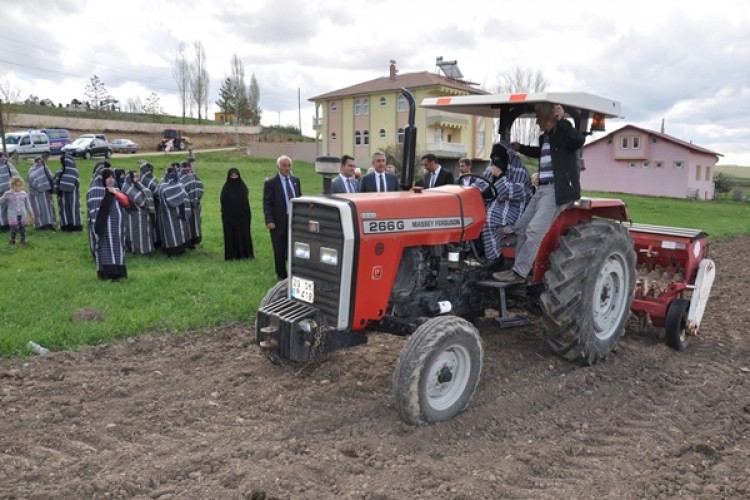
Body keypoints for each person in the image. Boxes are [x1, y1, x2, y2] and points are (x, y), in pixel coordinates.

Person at [494, 103, 586, 283]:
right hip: (542, 188)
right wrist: (520, 148)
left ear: (548, 117)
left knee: (534, 231)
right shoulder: (545, 138)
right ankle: (520, 269)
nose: (536, 122)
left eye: (538, 117)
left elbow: (578, 140)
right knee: (520, 229)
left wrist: (562, 119)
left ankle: (519, 273)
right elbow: (539, 153)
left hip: (555, 190)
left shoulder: (564, 133)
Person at [479, 144, 531, 264]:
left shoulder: (519, 172)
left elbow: (517, 192)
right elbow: (480, 183)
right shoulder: (491, 168)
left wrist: (501, 176)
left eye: (499, 157)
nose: (496, 160)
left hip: (514, 208)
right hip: (493, 204)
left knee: (489, 219)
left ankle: (495, 259)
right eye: (494, 157)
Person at [87, 168, 130, 281]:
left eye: (112, 177)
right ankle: (106, 274)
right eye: (108, 177)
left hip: (116, 226)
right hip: (103, 226)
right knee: (105, 249)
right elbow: (94, 209)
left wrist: (114, 192)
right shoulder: (95, 191)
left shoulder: (116, 190)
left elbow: (126, 202)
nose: (110, 179)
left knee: (117, 248)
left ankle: (117, 273)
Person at [263, 155, 301, 280]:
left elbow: (299, 199)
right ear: (278, 167)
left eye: (289, 165)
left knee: (293, 248)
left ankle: (293, 274)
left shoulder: (295, 181)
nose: (287, 168)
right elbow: (267, 203)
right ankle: (281, 275)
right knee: (279, 249)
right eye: (284, 165)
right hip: (278, 221)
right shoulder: (271, 183)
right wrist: (269, 220)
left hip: (294, 220)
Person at [157, 166, 192, 256]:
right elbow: (161, 199)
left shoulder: (178, 184)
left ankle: (180, 249)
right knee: (171, 232)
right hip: (168, 214)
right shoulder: (163, 186)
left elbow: (185, 197)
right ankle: (172, 251)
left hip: (177, 213)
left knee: (179, 232)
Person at [221, 167, 254, 260]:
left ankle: (245, 254)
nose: (234, 178)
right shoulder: (226, 189)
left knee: (243, 235)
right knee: (230, 236)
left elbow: (245, 203)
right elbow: (223, 203)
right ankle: (231, 255)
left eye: (236, 175)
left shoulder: (243, 188)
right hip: (229, 218)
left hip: (242, 217)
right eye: (232, 176)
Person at [121, 169, 156, 255]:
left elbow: (146, 192)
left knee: (144, 234)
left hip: (143, 214)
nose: (136, 178)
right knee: (136, 234)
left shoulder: (138, 185)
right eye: (134, 176)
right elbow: (140, 201)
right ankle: (139, 250)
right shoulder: (126, 187)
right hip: (133, 215)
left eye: (137, 176)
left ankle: (146, 249)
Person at [0, 176, 34, 245]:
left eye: (20, 186)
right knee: (14, 228)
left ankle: (23, 240)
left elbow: (28, 205)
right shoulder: (8, 193)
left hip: (22, 214)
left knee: (23, 228)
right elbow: (1, 201)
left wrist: (31, 213)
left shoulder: (24, 194)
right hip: (12, 214)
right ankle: (12, 240)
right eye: (16, 186)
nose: (18, 187)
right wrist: (4, 197)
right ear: (12, 185)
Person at [53, 153, 83, 231]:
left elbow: (77, 181)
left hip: (72, 193)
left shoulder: (74, 171)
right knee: (64, 209)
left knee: (73, 208)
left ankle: (76, 225)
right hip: (62, 194)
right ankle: (66, 225)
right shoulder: (60, 171)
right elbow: (56, 180)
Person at [27, 156, 57, 230]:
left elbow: (51, 177)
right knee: (38, 209)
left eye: (41, 160)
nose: (40, 162)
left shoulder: (46, 168)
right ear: (36, 161)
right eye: (38, 160)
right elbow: (31, 179)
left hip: (46, 192)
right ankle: (40, 225)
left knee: (48, 208)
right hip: (36, 194)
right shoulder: (32, 170)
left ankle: (50, 223)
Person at [179, 161, 204, 248]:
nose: (187, 169)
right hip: (186, 205)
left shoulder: (194, 176)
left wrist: (196, 199)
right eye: (185, 167)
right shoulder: (180, 177)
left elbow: (200, 187)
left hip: (193, 205)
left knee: (195, 224)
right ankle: (188, 242)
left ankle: (194, 242)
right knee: (188, 224)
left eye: (188, 167)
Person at [0, 152, 20, 231]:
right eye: (2, 157)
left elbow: (15, 174)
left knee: (12, 208)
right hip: (2, 191)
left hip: (9, 190)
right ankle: (3, 225)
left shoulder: (8, 165)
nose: (3, 158)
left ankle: (12, 224)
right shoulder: (7, 164)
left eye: (4, 157)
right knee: (2, 208)